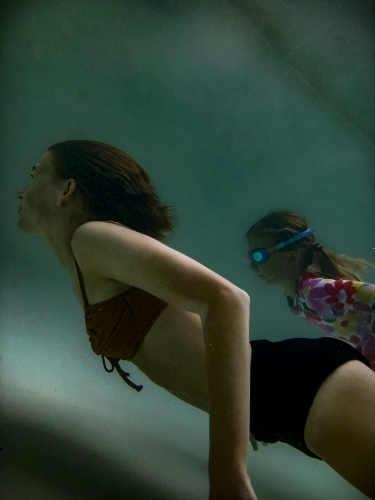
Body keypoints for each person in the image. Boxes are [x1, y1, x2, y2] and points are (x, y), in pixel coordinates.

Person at [16, 141, 375, 499]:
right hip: (292, 403)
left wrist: (227, 469)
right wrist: (237, 414)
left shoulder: (91, 238)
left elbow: (227, 299)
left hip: (306, 388)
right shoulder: (89, 257)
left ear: (67, 189)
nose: (21, 188)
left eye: (35, 173)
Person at [246, 210, 375, 371]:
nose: (252, 265)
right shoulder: (296, 295)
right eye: (250, 256)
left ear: (292, 257)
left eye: (259, 256)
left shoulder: (315, 291)